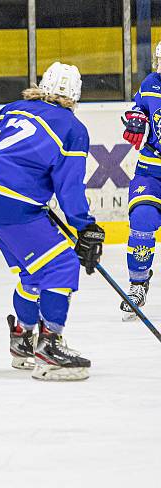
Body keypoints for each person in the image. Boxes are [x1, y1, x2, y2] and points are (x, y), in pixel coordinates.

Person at [0, 62, 105, 381]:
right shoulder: (72, 128)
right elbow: (68, 188)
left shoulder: (15, 108)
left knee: (33, 273)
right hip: (14, 202)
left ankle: (23, 340)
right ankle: (50, 347)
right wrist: (85, 227)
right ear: (75, 96)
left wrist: (8, 169)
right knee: (61, 266)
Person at [118, 41, 161, 320]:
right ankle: (137, 284)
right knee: (143, 218)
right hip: (152, 168)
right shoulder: (150, 83)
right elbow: (138, 108)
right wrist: (136, 117)